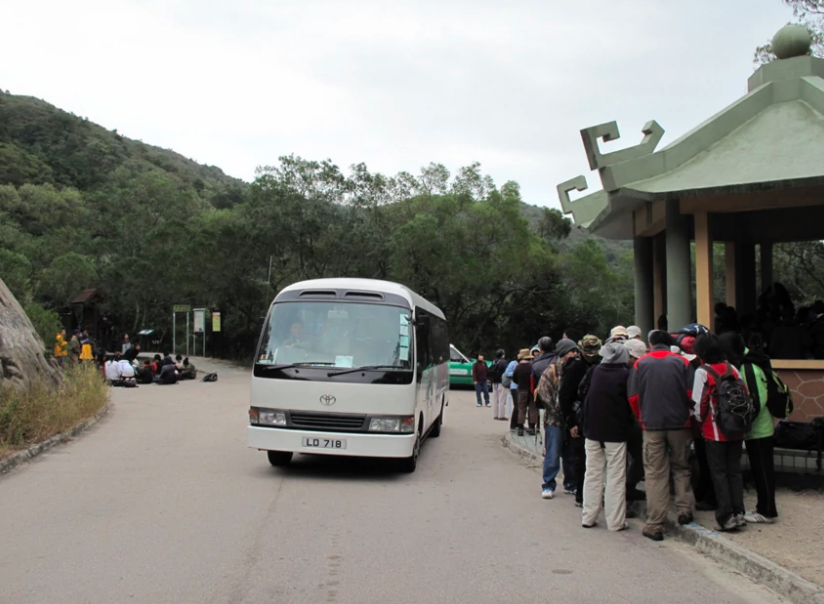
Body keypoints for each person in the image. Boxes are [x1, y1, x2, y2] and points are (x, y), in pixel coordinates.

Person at [629, 330, 694, 542]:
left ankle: (656, 523)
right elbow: (691, 394)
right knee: (681, 466)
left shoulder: (640, 364)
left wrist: (642, 417)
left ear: (651, 343)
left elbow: (633, 397)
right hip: (680, 425)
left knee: (655, 473)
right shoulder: (683, 363)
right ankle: (685, 510)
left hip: (651, 425)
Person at [692, 334, 746, 532]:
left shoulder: (702, 372)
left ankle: (725, 516)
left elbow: (699, 404)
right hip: (737, 430)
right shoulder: (733, 368)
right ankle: (739, 512)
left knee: (719, 474)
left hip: (714, 431)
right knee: (734, 472)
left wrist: (700, 423)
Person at [581, 342, 633, 531]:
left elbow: (584, 394)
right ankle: (615, 521)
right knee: (616, 477)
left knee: (592, 474)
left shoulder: (595, 371)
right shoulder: (625, 374)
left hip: (592, 430)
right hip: (615, 432)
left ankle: (588, 516)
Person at [741, 333, 779, 524]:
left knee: (763, 470)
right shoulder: (754, 363)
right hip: (760, 427)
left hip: (759, 428)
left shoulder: (748, 367)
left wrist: (745, 423)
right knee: (761, 470)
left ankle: (767, 511)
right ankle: (762, 507)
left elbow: (757, 399)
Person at [559, 335, 601, 505]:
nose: (591, 355)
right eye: (588, 351)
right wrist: (571, 422)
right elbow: (565, 397)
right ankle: (581, 495)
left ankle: (594, 494)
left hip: (597, 417)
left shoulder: (601, 364)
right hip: (578, 417)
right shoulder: (575, 367)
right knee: (580, 458)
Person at [535, 338, 578, 499]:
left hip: (570, 420)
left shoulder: (574, 370)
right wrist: (560, 411)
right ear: (563, 353)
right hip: (554, 420)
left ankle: (571, 483)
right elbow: (544, 395)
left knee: (571, 453)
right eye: (572, 351)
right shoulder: (551, 371)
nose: (575, 354)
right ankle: (548, 484)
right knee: (552, 452)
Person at [623, 338, 647, 503]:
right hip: (630, 420)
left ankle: (627, 488)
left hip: (632, 420)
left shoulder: (634, 370)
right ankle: (627, 489)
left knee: (639, 456)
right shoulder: (628, 371)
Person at [512, 349, 536, 436]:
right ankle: (532, 428)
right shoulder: (532, 366)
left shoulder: (518, 367)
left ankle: (520, 428)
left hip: (521, 389)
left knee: (521, 409)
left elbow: (514, 378)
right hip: (531, 390)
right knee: (532, 408)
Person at [489, 350, 509, 420]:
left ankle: (495, 414)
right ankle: (501, 415)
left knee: (495, 399)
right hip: (501, 382)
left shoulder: (494, 361)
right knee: (501, 399)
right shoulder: (504, 362)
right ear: (502, 355)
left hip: (494, 382)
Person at [505, 355, 520, 431]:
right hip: (514, 387)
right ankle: (513, 425)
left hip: (522, 387)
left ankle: (519, 424)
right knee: (517, 406)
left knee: (520, 407)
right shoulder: (513, 363)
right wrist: (516, 373)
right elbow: (507, 373)